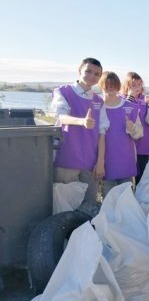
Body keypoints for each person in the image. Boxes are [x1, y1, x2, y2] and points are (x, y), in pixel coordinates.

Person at [51, 57, 106, 203]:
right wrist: (81, 121)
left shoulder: (99, 101)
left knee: (87, 207)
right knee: (64, 205)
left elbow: (102, 133)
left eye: (96, 74)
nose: (92, 76)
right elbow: (60, 116)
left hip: (90, 163)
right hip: (67, 159)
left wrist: (100, 162)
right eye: (88, 71)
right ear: (79, 71)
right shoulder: (63, 92)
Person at [99, 71, 143, 198]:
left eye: (113, 85)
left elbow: (139, 133)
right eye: (107, 85)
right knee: (108, 200)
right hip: (104, 163)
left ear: (118, 86)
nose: (110, 88)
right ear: (101, 86)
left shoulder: (131, 107)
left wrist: (132, 127)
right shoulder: (97, 107)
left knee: (127, 199)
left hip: (126, 162)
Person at [121, 72, 149, 184]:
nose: (137, 88)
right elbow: (122, 115)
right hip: (127, 146)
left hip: (144, 145)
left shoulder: (145, 99)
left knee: (142, 177)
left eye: (139, 84)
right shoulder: (120, 99)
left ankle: (139, 200)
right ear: (127, 86)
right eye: (133, 85)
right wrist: (130, 98)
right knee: (128, 177)